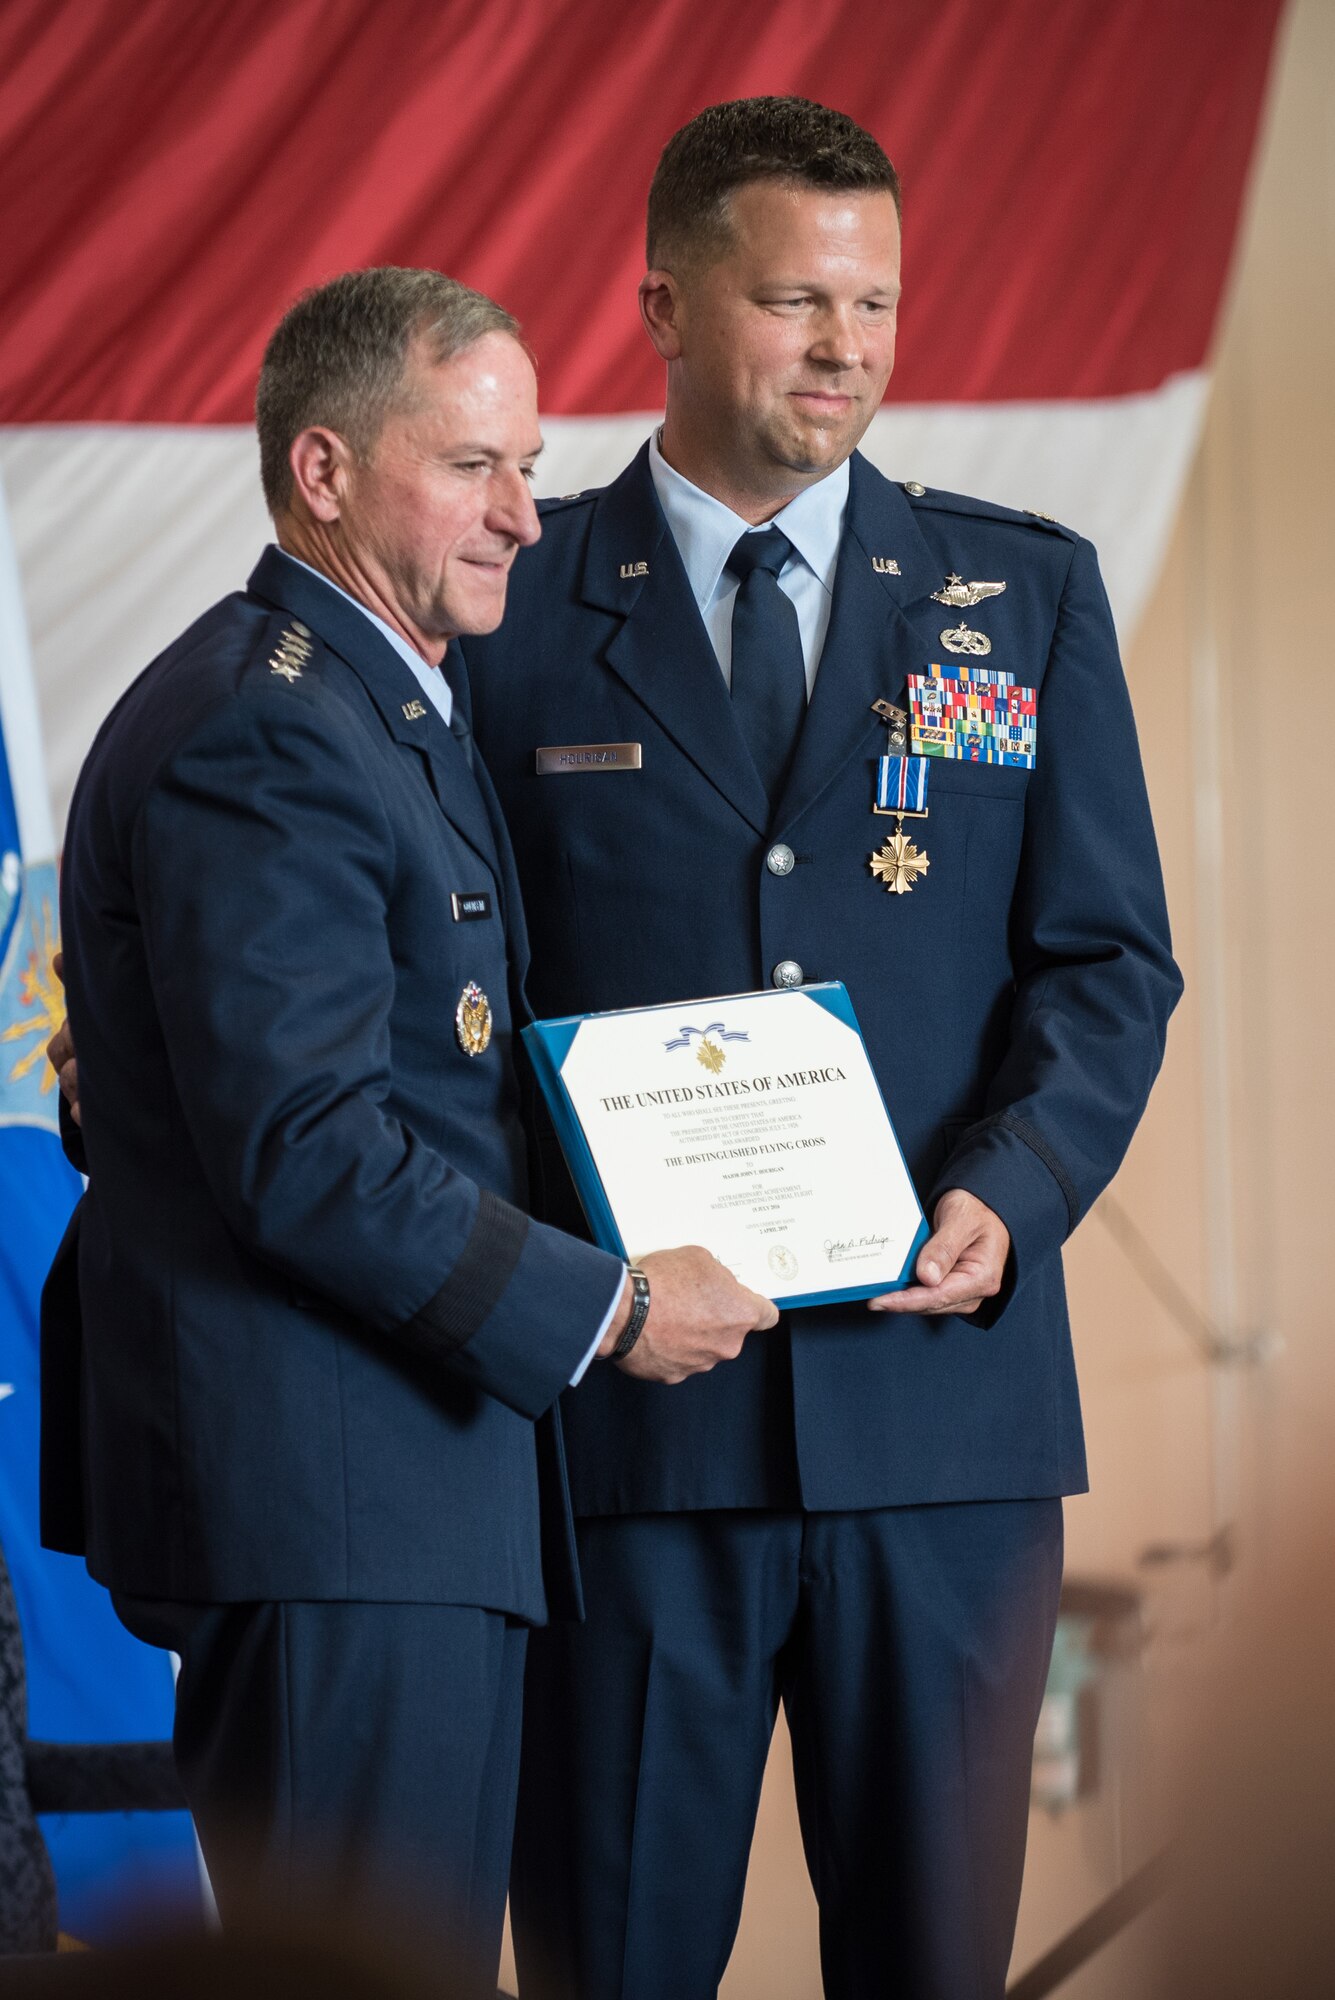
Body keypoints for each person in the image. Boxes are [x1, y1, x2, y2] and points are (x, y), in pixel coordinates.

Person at [456, 99, 1183, 1999]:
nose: (847, 346)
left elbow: (1108, 966)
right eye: (794, 302)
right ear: (666, 306)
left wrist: (1016, 1196)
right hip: (628, 1439)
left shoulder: (1020, 597)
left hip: (943, 1435)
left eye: (874, 302)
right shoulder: (507, 605)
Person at [40, 266, 775, 1977]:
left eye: (528, 463)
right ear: (321, 471)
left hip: (406, 1502)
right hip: (334, 1512)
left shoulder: (383, 710)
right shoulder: (271, 730)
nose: (527, 512)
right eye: (472, 466)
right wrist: (612, 1307)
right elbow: (308, 1148)